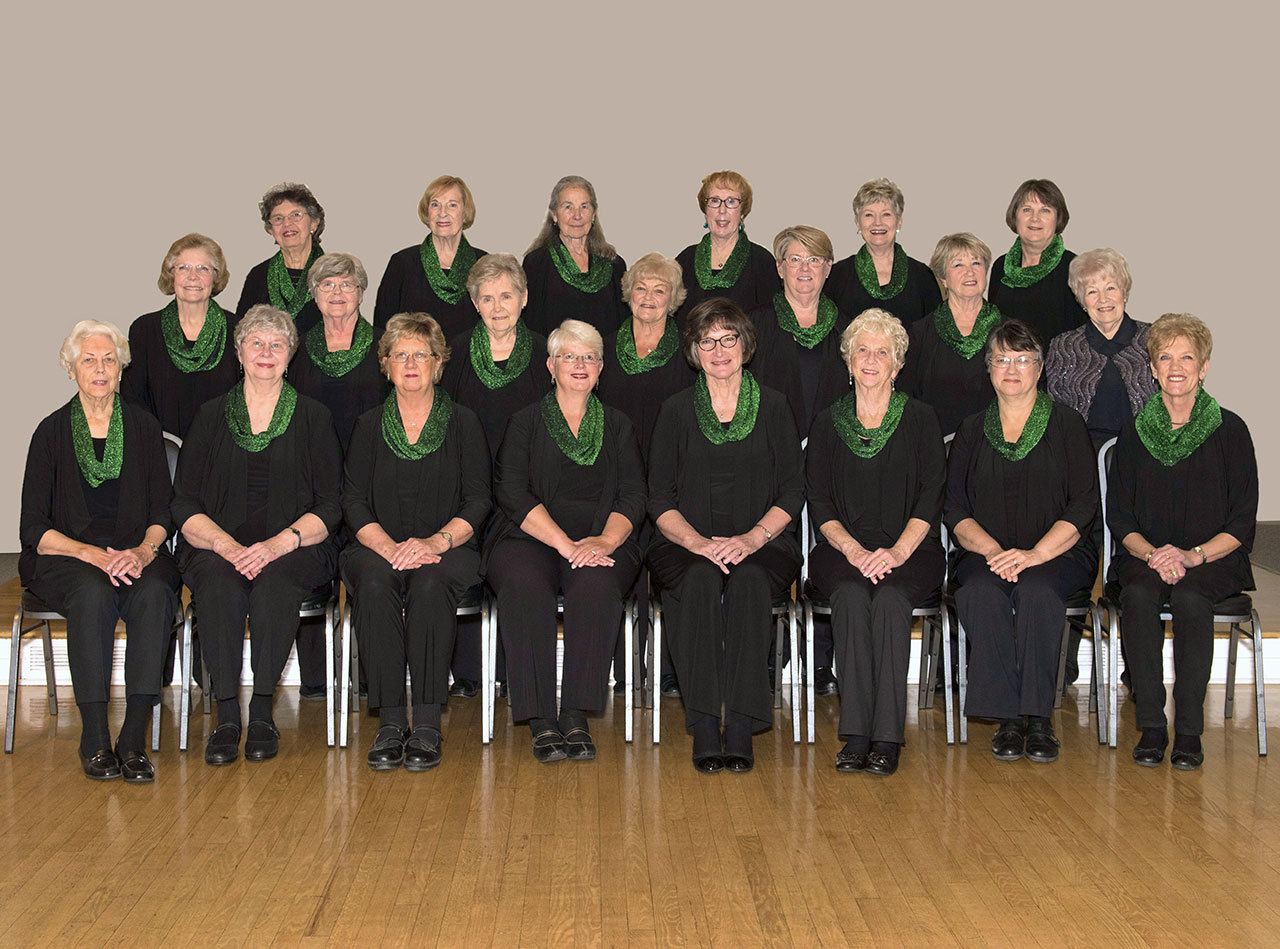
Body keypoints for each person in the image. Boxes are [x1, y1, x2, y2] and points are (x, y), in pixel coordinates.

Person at [173, 305, 342, 766]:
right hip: (217, 546)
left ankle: (263, 710)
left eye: (277, 345)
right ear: (239, 352)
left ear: (290, 356)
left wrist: (278, 544)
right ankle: (228, 715)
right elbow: (184, 502)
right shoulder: (209, 416)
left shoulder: (314, 417)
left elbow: (331, 505)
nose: (266, 352)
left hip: (295, 546)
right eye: (256, 343)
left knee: (275, 585)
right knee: (219, 586)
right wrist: (225, 545)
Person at [19, 321, 181, 782]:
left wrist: (144, 551)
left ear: (121, 369)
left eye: (109, 360)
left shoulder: (144, 428)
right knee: (93, 594)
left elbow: (162, 512)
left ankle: (133, 737)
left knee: (154, 593)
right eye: (88, 360)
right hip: (68, 558)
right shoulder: (50, 433)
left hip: (136, 552)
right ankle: (93, 736)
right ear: (71, 369)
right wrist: (91, 554)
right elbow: (34, 528)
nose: (100, 368)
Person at [647, 299, 803, 774]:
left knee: (750, 582)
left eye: (728, 339)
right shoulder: (674, 410)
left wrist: (753, 538)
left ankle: (740, 723)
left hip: (762, 544)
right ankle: (702, 723)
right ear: (694, 351)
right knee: (698, 581)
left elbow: (792, 491)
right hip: (685, 545)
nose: (719, 350)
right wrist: (698, 543)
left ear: (745, 344)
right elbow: (659, 497)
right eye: (707, 341)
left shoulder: (775, 406)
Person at [485, 320, 645, 762]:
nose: (579, 364)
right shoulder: (524, 422)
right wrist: (564, 544)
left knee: (596, 585)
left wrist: (605, 542)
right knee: (523, 586)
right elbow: (511, 492)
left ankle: (575, 713)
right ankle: (540, 717)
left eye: (589, 357)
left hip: (602, 539)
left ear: (601, 369)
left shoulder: (619, 425)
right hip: (527, 537)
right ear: (550, 366)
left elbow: (634, 494)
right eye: (569, 356)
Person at [1108, 313, 1258, 771]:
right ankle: (1152, 726)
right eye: (1165, 357)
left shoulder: (1231, 430)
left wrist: (1193, 556)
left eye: (1187, 357)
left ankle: (1189, 730)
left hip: (1214, 557)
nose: (1176, 367)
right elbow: (1120, 516)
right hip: (1145, 555)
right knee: (1137, 595)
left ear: (1204, 367)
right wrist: (1155, 554)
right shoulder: (1135, 432)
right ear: (1152, 369)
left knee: (1192, 598)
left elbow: (1241, 520)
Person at [341, 313, 491, 771]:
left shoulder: (464, 422)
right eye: (400, 354)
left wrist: (435, 543)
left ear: (438, 364)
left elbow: (478, 500)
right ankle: (390, 722)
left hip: (448, 549)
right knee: (374, 583)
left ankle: (426, 722)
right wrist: (389, 547)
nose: (410, 364)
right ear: (385, 364)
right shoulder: (368, 425)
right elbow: (353, 500)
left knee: (429, 583)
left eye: (420, 355)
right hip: (377, 548)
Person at [945, 320, 1098, 764]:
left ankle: (1037, 717)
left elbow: (1084, 504)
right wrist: (994, 552)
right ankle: (1007, 717)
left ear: (1040, 367)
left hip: (1057, 553)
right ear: (988, 368)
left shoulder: (1067, 425)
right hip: (985, 553)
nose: (1012, 369)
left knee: (1036, 590)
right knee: (979, 590)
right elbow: (955, 509)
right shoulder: (972, 429)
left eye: (1023, 359)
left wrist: (1035, 554)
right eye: (1002, 359)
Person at [805, 310, 945, 775]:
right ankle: (856, 735)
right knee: (849, 594)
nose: (870, 360)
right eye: (861, 351)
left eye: (882, 352)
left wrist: (898, 551)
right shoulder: (827, 423)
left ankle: (887, 737)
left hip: (913, 550)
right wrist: (854, 550)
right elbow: (819, 501)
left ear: (897, 364)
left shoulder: (922, 419)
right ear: (848, 362)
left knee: (889, 599)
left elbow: (931, 495)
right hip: (840, 551)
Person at [441, 254, 548, 696]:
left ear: (524, 299)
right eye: (487, 298)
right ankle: (469, 674)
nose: (498, 306)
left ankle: (509, 672)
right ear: (474, 303)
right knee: (466, 567)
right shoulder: (454, 353)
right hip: (466, 485)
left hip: (527, 489)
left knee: (515, 571)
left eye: (506, 296)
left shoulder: (545, 353)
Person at [599, 253, 694, 695]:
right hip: (616, 475)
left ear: (674, 299)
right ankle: (625, 668)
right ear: (628, 294)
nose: (650, 298)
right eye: (641, 288)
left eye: (660, 290)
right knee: (622, 564)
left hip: (673, 474)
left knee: (672, 564)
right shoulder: (603, 347)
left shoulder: (690, 351)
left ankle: (671, 669)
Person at [121, 233, 239, 439]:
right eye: (183, 268)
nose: (193, 276)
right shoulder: (144, 330)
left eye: (203, 268)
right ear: (171, 275)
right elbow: (133, 399)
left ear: (215, 276)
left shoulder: (238, 329)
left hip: (223, 448)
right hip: (161, 449)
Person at [1047, 248, 1157, 450]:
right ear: (1082, 300)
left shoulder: (1154, 338)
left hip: (1146, 451)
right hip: (1082, 453)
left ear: (1124, 293)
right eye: (1092, 292)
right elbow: (1056, 413)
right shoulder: (1063, 346)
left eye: (1110, 288)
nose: (1103, 299)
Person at [748, 225, 851, 437]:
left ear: (828, 268)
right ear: (780, 268)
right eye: (795, 259)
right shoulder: (753, 326)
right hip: (769, 444)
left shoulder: (848, 330)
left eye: (814, 259)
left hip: (832, 445)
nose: (805, 268)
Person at [899, 233, 1003, 437]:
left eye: (976, 263)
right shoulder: (919, 334)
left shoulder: (1009, 332)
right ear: (943, 278)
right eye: (958, 265)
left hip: (995, 444)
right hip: (933, 443)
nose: (970, 272)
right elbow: (906, 399)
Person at [288, 252, 388, 452]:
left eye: (346, 284)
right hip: (312, 457)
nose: (337, 292)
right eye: (327, 285)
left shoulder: (386, 345)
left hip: (372, 455)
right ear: (315, 296)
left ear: (360, 294)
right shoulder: (297, 349)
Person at [373, 175, 487, 339]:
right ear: (427, 213)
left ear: (465, 213)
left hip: (470, 355)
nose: (442, 213)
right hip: (414, 355)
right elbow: (382, 328)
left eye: (452, 205)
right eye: (435, 205)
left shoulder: (483, 263)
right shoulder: (402, 263)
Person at [826, 178, 941, 327]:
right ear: (857, 223)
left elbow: (934, 332)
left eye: (886, 214)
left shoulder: (923, 276)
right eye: (868, 215)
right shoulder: (837, 276)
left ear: (899, 221)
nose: (878, 223)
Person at [522, 176, 627, 336]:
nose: (577, 215)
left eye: (584, 206)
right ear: (554, 215)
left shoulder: (615, 265)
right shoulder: (536, 264)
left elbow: (623, 328)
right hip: (554, 352)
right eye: (568, 207)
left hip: (604, 353)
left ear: (593, 214)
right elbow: (531, 328)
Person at [988, 179, 1085, 348]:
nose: (1035, 218)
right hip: (1009, 363)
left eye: (1045, 210)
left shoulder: (1075, 267)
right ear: (1015, 216)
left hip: (1060, 363)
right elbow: (994, 329)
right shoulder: (1000, 266)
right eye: (1027, 209)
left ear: (1058, 218)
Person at [674, 170, 779, 321]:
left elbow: (771, 320)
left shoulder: (762, 261)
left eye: (731, 202)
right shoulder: (685, 259)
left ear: (742, 212)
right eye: (714, 201)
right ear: (705, 211)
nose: (722, 210)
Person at [236, 182, 326, 335]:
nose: (287, 223)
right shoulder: (258, 276)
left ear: (313, 223)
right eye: (278, 218)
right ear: (271, 230)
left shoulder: (333, 272)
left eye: (296, 215)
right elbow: (242, 332)